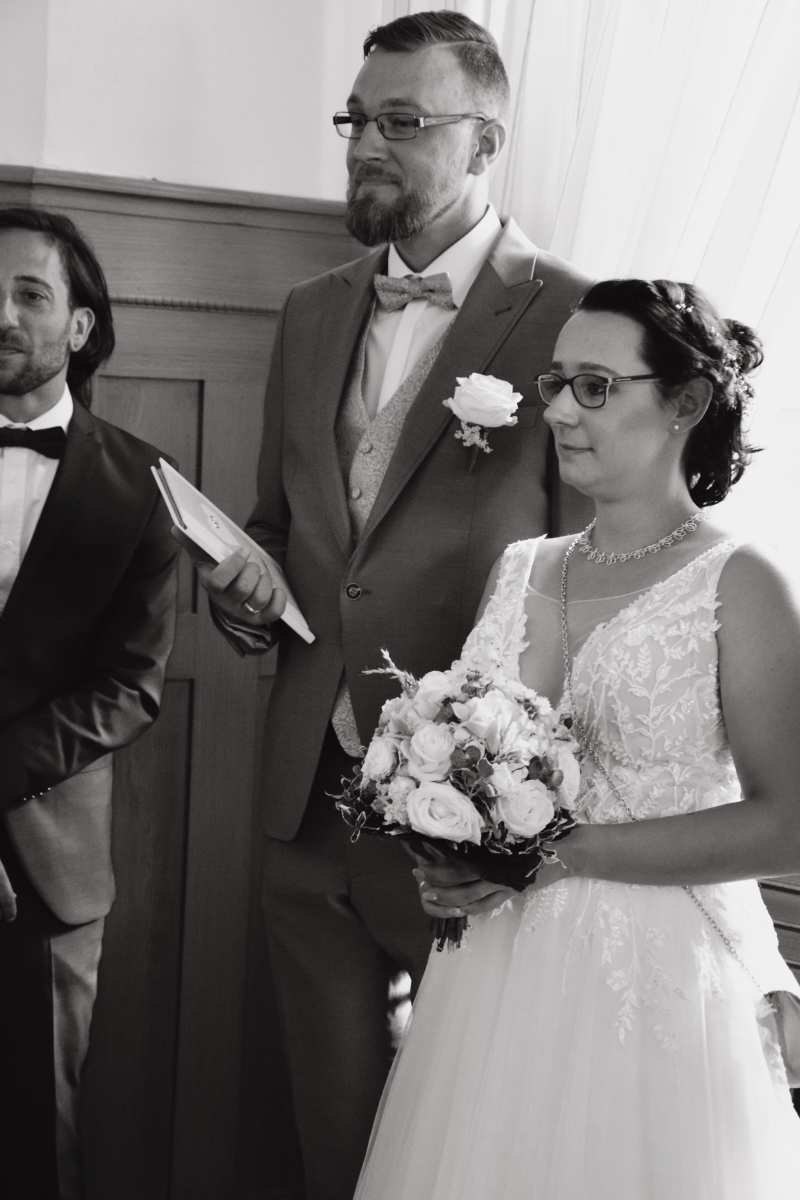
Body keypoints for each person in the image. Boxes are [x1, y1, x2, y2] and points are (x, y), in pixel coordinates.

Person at [175, 11, 592, 1199]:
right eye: (355, 119)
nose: (366, 143)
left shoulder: (572, 315)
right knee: (333, 1137)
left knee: (469, 1141)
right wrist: (244, 591)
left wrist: (515, 795)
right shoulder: (312, 308)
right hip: (305, 802)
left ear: (484, 141)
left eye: (401, 122)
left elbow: (586, 573)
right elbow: (281, 526)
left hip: (470, 815)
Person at [355, 278, 800, 1199]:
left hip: (654, 983)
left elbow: (787, 823)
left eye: (595, 386)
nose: (559, 409)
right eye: (556, 383)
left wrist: (558, 855)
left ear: (686, 402)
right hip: (492, 981)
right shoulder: (520, 566)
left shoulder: (741, 583)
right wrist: (446, 853)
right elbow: (478, 765)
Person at [0, 207, 178, 1200]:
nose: (1, 314)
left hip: (46, 863)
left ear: (80, 325)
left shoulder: (141, 484)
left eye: (29, 294)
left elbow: (130, 688)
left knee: (38, 1131)